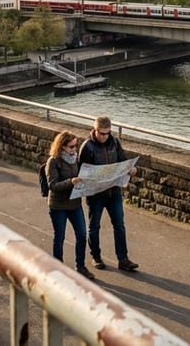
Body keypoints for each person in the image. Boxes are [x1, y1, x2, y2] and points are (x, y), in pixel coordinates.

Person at [79, 115, 139, 272]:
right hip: (96, 195)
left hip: (114, 192)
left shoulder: (115, 143)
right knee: (94, 226)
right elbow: (81, 171)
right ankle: (96, 257)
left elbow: (123, 161)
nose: (105, 137)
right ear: (94, 130)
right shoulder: (87, 147)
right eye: (102, 133)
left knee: (119, 225)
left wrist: (131, 170)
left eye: (107, 133)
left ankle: (123, 259)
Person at [46, 131, 95, 280]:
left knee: (81, 235)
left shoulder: (76, 159)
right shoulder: (53, 161)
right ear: (62, 146)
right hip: (58, 206)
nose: (74, 149)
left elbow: (82, 177)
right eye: (71, 146)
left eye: (75, 146)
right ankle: (58, 267)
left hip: (74, 204)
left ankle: (80, 266)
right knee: (59, 237)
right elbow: (52, 185)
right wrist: (71, 182)